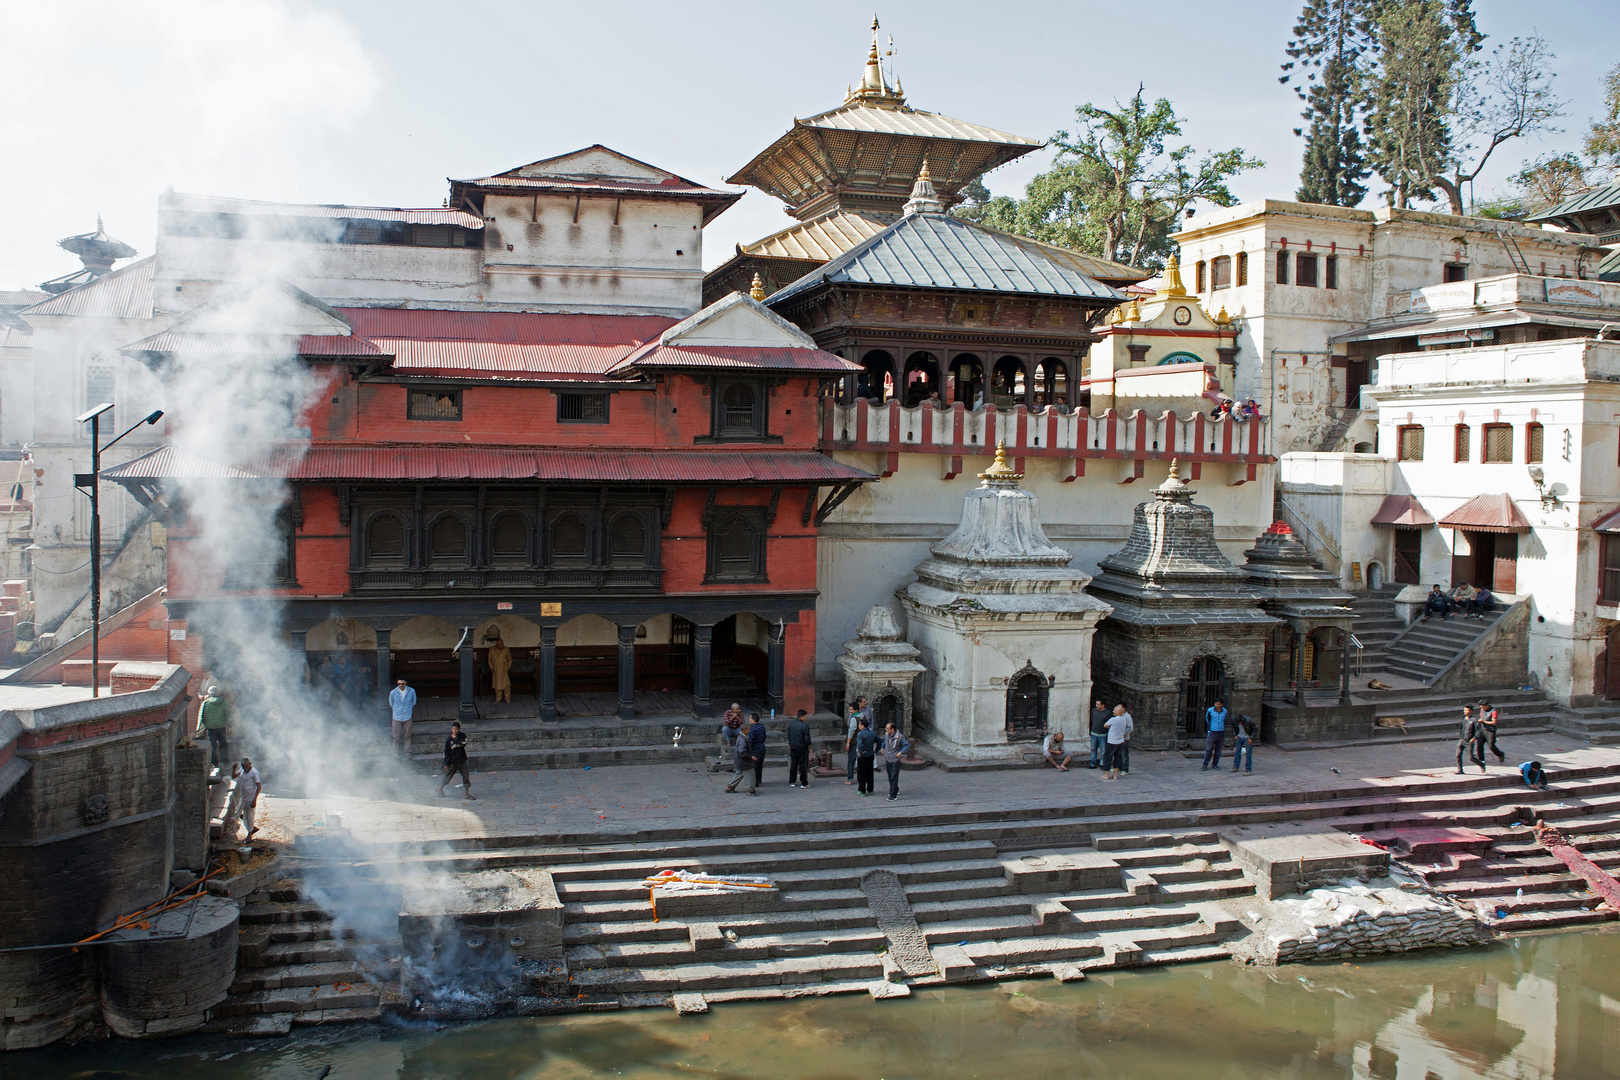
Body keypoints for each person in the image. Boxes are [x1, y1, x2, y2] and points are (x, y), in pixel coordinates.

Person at [436, 720, 475, 799]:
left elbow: (463, 743)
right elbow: (447, 752)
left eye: (456, 729)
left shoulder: (462, 736)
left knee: (466, 776)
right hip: (453, 762)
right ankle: (439, 789)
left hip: (462, 760)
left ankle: (467, 794)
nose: (454, 731)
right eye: (453, 729)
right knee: (448, 776)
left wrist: (456, 738)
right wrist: (446, 763)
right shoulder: (448, 739)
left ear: (459, 729)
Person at [195, 685, 231, 769]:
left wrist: (198, 728)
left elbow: (200, 715)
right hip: (222, 726)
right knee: (223, 745)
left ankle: (214, 763)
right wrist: (230, 723)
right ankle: (226, 762)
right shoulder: (223, 702)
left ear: (209, 693)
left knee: (213, 746)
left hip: (210, 728)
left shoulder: (206, 703)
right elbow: (228, 713)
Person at [881, 722, 911, 801]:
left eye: (887, 728)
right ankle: (895, 789)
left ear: (892, 729)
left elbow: (907, 745)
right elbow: (884, 741)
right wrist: (882, 747)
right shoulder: (887, 735)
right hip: (888, 758)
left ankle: (892, 795)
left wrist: (901, 752)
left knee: (894, 776)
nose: (886, 730)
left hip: (895, 759)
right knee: (890, 776)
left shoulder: (899, 737)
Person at [1102, 705, 1133, 781]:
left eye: (1114, 710)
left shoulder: (1113, 719)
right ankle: (1115, 775)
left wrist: (1111, 728)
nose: (1113, 711)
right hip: (1120, 741)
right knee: (1118, 758)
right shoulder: (1124, 720)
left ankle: (1106, 774)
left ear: (1118, 712)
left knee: (1107, 757)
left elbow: (1105, 725)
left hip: (1112, 741)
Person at [727, 717, 757, 795]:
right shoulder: (743, 740)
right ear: (744, 730)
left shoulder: (741, 738)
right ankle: (750, 790)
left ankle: (730, 787)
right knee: (750, 775)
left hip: (740, 762)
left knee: (739, 774)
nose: (749, 731)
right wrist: (751, 757)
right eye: (748, 729)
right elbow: (742, 752)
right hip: (745, 762)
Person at [389, 677, 418, 757]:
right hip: (397, 716)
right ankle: (395, 753)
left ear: (406, 683)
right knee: (396, 736)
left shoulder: (411, 691)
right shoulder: (393, 692)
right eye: (399, 684)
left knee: (407, 735)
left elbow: (414, 702)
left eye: (402, 684)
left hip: (407, 715)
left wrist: (407, 709)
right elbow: (391, 703)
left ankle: (407, 752)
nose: (401, 685)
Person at [844, 697, 869, 786]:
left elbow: (851, 731)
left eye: (851, 709)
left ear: (856, 710)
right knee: (860, 761)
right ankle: (860, 778)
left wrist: (848, 742)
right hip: (863, 742)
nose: (850, 711)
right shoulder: (863, 716)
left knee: (851, 760)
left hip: (854, 742)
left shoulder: (854, 719)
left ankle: (850, 778)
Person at [786, 709, 813, 788]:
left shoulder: (791, 724)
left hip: (793, 747)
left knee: (793, 764)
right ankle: (804, 783)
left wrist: (790, 744)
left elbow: (789, 735)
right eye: (805, 716)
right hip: (802, 748)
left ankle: (792, 781)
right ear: (802, 716)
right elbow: (807, 738)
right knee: (803, 766)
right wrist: (810, 747)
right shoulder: (805, 726)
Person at [237, 757, 262, 839]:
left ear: (250, 764)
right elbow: (234, 776)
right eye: (243, 767)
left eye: (246, 767)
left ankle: (249, 835)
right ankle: (252, 828)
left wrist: (254, 800)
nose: (245, 769)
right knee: (237, 813)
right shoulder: (242, 770)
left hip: (250, 798)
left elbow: (259, 786)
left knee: (250, 816)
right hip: (243, 797)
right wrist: (234, 769)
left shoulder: (254, 772)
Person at [853, 716, 879, 796]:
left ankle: (862, 790)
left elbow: (860, 745)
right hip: (870, 754)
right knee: (870, 773)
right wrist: (876, 750)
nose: (858, 726)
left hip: (863, 756)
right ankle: (870, 789)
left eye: (859, 724)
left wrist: (860, 752)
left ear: (863, 726)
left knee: (861, 774)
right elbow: (880, 741)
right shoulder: (872, 733)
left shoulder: (861, 734)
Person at [1201, 699, 1229, 771]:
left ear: (1222, 705)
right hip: (1212, 731)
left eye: (1219, 704)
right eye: (1216, 704)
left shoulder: (1225, 711)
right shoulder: (1210, 710)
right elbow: (1208, 719)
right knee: (1209, 749)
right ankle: (1205, 764)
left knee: (1218, 749)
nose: (1218, 706)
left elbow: (1225, 720)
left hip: (1221, 732)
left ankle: (1215, 763)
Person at [487, 637, 513, 704]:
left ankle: (507, 699)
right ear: (496, 644)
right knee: (497, 684)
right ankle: (498, 698)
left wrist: (507, 667)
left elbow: (510, 660)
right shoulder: (492, 650)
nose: (500, 645)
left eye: (501, 644)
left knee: (506, 685)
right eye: (498, 644)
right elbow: (489, 660)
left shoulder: (506, 650)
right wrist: (491, 668)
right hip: (495, 670)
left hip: (504, 670)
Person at [1088, 700, 1111, 769]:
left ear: (1103, 705)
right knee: (1093, 749)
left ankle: (1102, 763)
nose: (1096, 706)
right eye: (1096, 704)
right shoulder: (1094, 711)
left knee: (1103, 750)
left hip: (1103, 734)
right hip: (1094, 733)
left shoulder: (1107, 713)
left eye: (1098, 704)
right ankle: (1093, 763)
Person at [747, 713, 768, 789]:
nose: (749, 720)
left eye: (750, 718)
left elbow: (751, 740)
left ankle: (755, 782)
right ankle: (759, 780)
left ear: (753, 720)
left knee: (755, 766)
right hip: (762, 747)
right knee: (760, 765)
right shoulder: (762, 727)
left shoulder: (753, 728)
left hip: (756, 749)